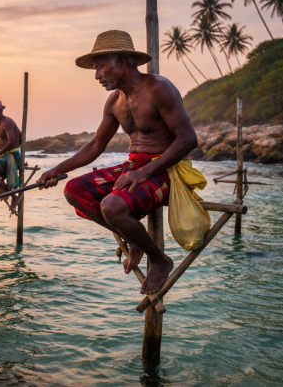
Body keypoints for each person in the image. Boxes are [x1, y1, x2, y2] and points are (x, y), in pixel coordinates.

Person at [36, 30, 198, 295]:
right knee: (74, 190)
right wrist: (57, 169)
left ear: (121, 62)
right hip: (136, 166)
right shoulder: (115, 100)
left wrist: (145, 173)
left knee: (112, 206)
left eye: (100, 67)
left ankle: (159, 259)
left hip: (168, 169)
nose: (97, 75)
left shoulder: (158, 88)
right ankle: (133, 238)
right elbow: (96, 145)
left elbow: (188, 140)